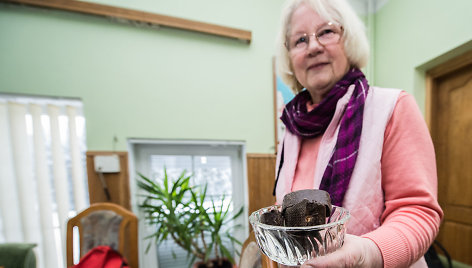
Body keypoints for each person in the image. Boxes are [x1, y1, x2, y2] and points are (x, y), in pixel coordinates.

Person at [272, 0, 443, 267]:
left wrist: (367, 253)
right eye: (300, 40)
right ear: (290, 57)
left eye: (327, 32)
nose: (314, 46)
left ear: (349, 40)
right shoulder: (291, 128)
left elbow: (418, 211)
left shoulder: (393, 107)